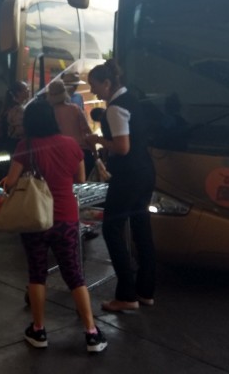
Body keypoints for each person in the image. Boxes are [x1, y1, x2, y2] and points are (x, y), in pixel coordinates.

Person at [2, 99, 107, 354]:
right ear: (52, 119)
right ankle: (91, 333)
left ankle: (38, 330)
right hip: (66, 218)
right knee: (74, 274)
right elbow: (80, 179)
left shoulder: (24, 146)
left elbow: (11, 182)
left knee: (37, 273)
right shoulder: (71, 145)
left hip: (35, 218)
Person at [88, 59, 156, 312]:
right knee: (141, 229)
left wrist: (98, 139)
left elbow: (122, 148)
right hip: (145, 172)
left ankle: (127, 294)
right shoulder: (132, 99)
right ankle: (145, 291)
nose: (94, 92)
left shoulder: (116, 108)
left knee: (112, 230)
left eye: (95, 86)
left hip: (127, 176)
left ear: (107, 83)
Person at [46, 79, 96, 177]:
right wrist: (95, 154)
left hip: (59, 155)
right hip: (81, 151)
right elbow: (87, 132)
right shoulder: (75, 109)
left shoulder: (49, 113)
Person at [0, 81, 29, 153]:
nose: (28, 91)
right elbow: (20, 131)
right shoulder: (17, 110)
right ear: (18, 93)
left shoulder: (9, 107)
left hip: (8, 145)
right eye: (26, 89)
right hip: (15, 146)